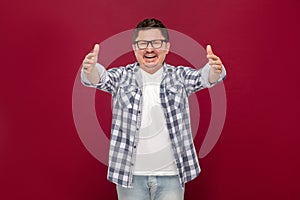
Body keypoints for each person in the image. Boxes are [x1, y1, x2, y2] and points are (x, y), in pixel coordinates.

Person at [81, 18, 226, 200]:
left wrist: (215, 69)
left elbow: (204, 77)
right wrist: (90, 69)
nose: (149, 49)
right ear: (135, 48)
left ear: (166, 47)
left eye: (156, 43)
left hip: (172, 176)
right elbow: (101, 78)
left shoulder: (179, 76)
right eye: (142, 43)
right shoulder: (122, 76)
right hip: (130, 177)